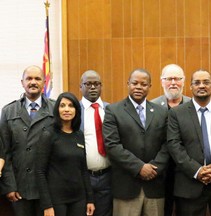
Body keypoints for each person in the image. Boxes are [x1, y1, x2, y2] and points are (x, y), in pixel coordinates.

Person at [167, 69, 211, 216]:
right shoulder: (176, 114)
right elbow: (174, 146)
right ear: (191, 87)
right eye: (197, 82)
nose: (201, 86)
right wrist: (197, 171)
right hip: (189, 183)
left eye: (206, 82)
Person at [103, 68, 169, 216]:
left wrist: (154, 168)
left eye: (144, 84)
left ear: (150, 87)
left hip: (154, 185)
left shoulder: (161, 112)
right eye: (135, 83)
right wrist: (139, 167)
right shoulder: (113, 111)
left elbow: (167, 144)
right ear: (128, 84)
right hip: (126, 187)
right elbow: (112, 145)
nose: (139, 87)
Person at [0, 65, 55, 216]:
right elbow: (4, 152)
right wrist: (9, 186)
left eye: (37, 78)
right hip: (19, 187)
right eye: (29, 78)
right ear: (22, 82)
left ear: (44, 82)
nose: (33, 82)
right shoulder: (8, 111)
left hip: (48, 188)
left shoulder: (55, 108)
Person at [36, 92, 95, 216]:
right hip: (56, 200)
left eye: (71, 106)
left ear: (76, 110)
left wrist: (90, 199)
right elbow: (40, 171)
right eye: (62, 106)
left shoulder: (79, 135)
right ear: (57, 109)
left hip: (79, 199)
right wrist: (47, 205)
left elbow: (83, 169)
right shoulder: (48, 134)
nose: (66, 109)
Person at [151, 63, 190, 216]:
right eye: (169, 79)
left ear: (184, 81)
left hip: (186, 172)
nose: (173, 83)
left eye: (177, 79)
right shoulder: (152, 106)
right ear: (162, 81)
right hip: (160, 173)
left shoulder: (192, 105)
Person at [79, 70, 112, 216]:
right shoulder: (74, 111)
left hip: (108, 176)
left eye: (96, 84)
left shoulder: (111, 109)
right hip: (83, 177)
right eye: (88, 84)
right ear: (81, 87)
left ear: (101, 86)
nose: (92, 87)